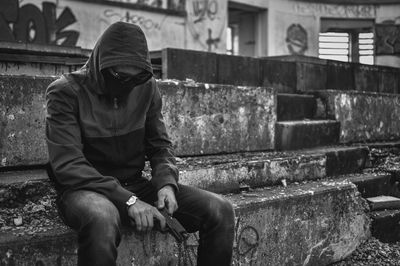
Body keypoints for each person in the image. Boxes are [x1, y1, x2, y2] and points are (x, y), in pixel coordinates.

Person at [45, 21, 235, 266]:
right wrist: (129, 201)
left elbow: (160, 145)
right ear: (102, 63)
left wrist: (166, 183)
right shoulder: (65, 92)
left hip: (135, 185)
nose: (128, 85)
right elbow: (68, 165)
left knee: (220, 210)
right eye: (120, 76)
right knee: (102, 217)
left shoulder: (146, 87)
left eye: (135, 78)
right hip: (84, 190)